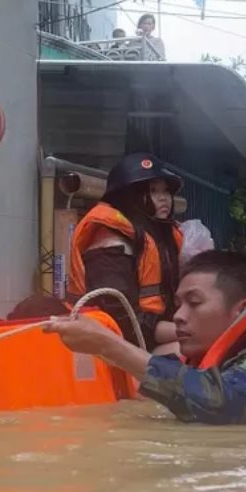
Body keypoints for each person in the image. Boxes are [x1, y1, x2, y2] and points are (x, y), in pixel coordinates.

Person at [47, 250, 246, 425]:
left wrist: (109, 345)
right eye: (178, 304)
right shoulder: (199, 365)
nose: (179, 315)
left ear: (241, 311)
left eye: (194, 302)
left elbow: (222, 402)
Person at [67, 152, 185, 356]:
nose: (164, 198)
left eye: (166, 190)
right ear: (129, 197)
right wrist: (182, 332)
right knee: (188, 354)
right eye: (153, 191)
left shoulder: (162, 236)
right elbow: (118, 316)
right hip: (115, 346)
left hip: (147, 338)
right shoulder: (110, 243)